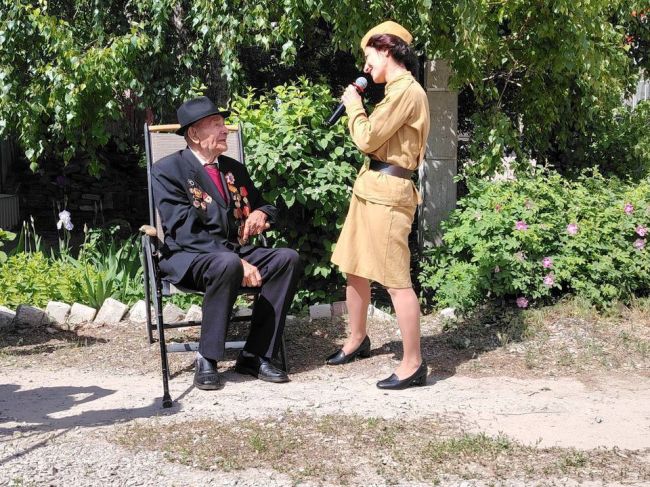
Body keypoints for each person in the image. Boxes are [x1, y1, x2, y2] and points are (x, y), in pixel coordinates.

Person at [152, 96, 301, 390]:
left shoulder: (232, 168)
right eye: (216, 124)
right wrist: (239, 261)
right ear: (194, 134)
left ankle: (254, 355)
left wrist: (260, 212)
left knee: (287, 259)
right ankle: (207, 358)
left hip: (235, 252)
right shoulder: (168, 170)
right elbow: (183, 231)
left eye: (224, 124)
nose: (225, 130)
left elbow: (266, 205)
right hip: (190, 255)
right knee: (228, 262)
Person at [327, 21, 430, 390]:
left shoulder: (407, 91)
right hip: (371, 186)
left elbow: (368, 136)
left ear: (387, 51)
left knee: (397, 282)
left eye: (369, 56)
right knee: (354, 266)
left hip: (389, 191)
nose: (365, 66)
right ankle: (357, 338)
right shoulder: (395, 91)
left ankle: (413, 363)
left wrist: (354, 106)